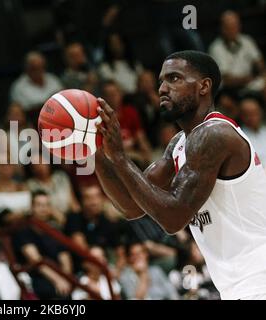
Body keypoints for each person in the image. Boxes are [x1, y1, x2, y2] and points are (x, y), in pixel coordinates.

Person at [95, 50, 266, 300]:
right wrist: (93, 151)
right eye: (161, 81)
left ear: (204, 86)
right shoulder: (179, 144)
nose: (163, 88)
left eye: (174, 79)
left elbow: (173, 218)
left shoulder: (216, 135)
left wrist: (120, 157)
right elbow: (131, 206)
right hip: (240, 287)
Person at [12, 191, 73, 299]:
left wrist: (66, 278)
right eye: (39, 205)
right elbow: (36, 260)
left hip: (59, 274)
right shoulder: (23, 231)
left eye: (46, 205)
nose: (43, 209)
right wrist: (58, 280)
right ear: (32, 208)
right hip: (36, 276)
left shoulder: (54, 230)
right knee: (52, 291)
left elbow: (64, 255)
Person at [208, 10, 265, 94]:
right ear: (222, 29)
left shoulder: (247, 41)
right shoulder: (216, 48)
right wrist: (249, 79)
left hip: (249, 85)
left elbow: (259, 62)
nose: (233, 30)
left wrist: (262, 72)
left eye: (235, 26)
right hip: (229, 91)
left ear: (239, 26)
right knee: (250, 107)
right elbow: (227, 80)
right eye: (229, 27)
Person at [10, 51, 63, 121]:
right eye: (34, 68)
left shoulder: (53, 80)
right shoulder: (18, 87)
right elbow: (19, 112)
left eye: (40, 67)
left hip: (58, 119)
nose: (38, 71)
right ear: (27, 68)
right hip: (32, 123)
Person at [239, 98, 266, 166]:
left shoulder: (264, 130)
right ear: (241, 116)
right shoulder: (240, 137)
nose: (251, 118)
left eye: (255, 113)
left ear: (261, 112)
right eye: (247, 114)